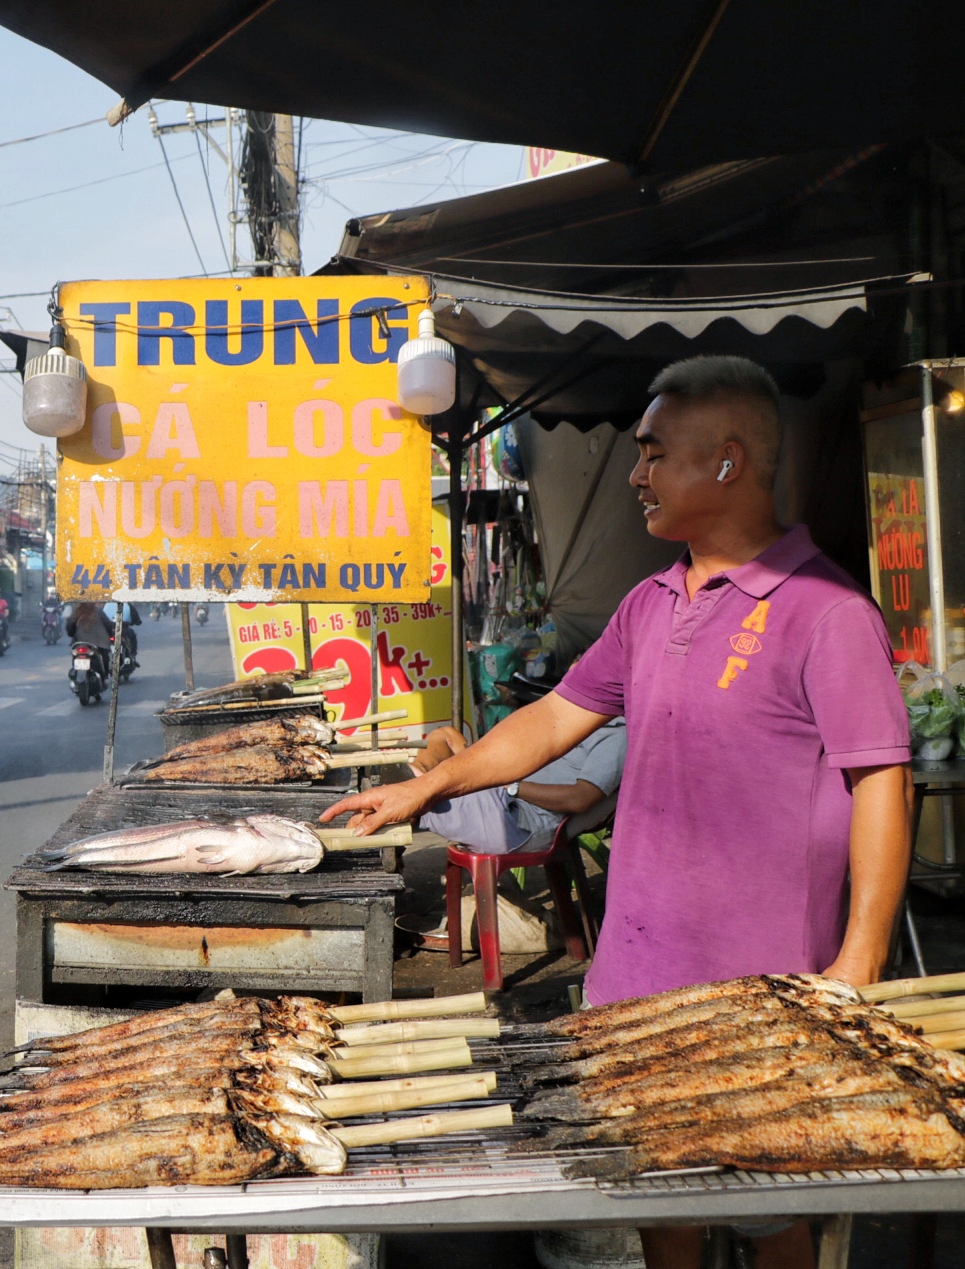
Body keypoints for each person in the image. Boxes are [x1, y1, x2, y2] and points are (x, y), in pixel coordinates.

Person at [326, 355, 911, 1269]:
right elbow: (557, 716)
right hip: (632, 982)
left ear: (725, 463)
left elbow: (882, 779)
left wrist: (862, 956)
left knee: (774, 1216)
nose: (635, 472)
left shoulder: (826, 611)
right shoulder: (648, 603)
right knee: (660, 1208)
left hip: (761, 995)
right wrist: (429, 786)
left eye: (652, 452)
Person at [413, 717, 625, 855]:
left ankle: (410, 783)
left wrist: (511, 785)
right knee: (445, 735)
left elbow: (579, 799)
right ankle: (415, 773)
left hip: (517, 817)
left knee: (419, 795)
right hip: (503, 795)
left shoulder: (618, 735)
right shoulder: (585, 722)